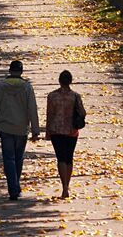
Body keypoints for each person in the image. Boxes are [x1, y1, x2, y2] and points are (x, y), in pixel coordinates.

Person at [0, 60, 39, 201]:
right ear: (21, 72)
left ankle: (13, 188)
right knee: (18, 158)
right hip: (21, 129)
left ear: (10, 71)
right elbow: (32, 109)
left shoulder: (0, 88)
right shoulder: (27, 88)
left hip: (6, 128)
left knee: (8, 159)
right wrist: (35, 129)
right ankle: (16, 186)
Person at [46, 70, 86, 199]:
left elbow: (49, 114)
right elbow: (83, 112)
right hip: (71, 131)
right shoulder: (75, 96)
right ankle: (67, 186)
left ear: (59, 81)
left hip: (56, 130)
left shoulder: (52, 96)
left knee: (60, 158)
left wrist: (48, 132)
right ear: (71, 81)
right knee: (69, 158)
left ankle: (63, 186)